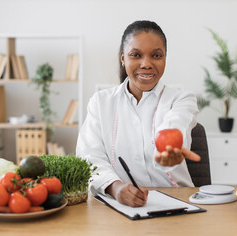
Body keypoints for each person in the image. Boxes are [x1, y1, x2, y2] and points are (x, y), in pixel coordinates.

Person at [76, 20, 200, 207]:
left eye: (156, 55)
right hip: (117, 205)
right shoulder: (100, 102)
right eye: (136, 55)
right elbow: (89, 156)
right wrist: (115, 187)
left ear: (165, 57)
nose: (146, 64)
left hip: (177, 202)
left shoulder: (182, 99)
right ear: (123, 58)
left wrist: (169, 150)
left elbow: (175, 126)